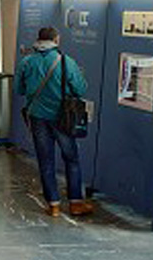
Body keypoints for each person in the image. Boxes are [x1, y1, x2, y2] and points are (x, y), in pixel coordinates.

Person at [14, 27, 95, 218]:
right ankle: (76, 203)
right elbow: (81, 89)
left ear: (38, 40)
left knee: (45, 160)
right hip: (63, 118)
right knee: (71, 159)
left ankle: (53, 205)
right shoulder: (66, 61)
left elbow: (19, 89)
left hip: (37, 117)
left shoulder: (26, 62)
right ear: (56, 40)